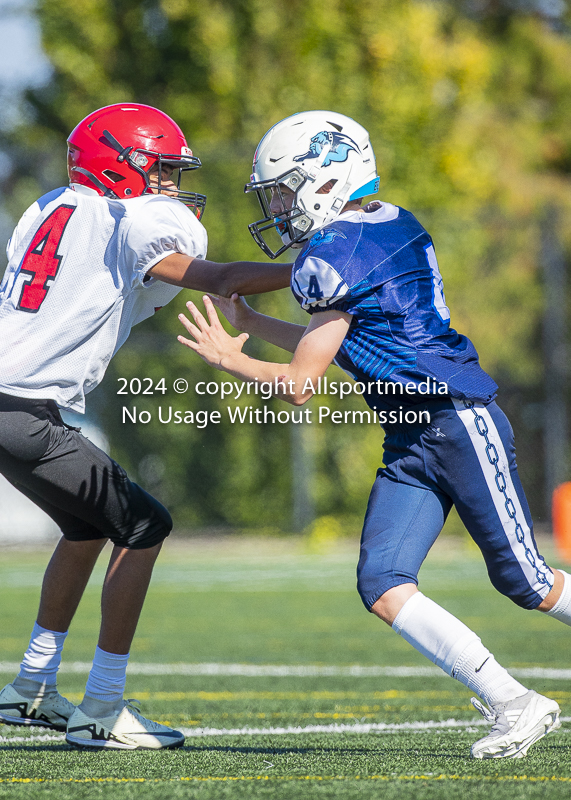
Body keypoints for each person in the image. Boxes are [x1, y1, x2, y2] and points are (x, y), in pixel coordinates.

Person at [177, 109, 571, 759]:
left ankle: (516, 699)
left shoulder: (333, 253)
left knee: (524, 581)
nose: (277, 208)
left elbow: (302, 381)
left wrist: (231, 357)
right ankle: (514, 702)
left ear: (325, 180)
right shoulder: (382, 227)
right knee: (383, 582)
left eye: (282, 190)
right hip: (411, 436)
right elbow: (339, 338)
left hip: (454, 418)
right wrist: (252, 324)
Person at [0, 102, 292, 750]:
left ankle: (30, 689)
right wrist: (310, 272)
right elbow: (216, 279)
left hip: (11, 405)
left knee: (85, 528)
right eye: (160, 172)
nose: (171, 188)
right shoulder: (131, 221)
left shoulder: (49, 205)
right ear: (120, 167)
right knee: (144, 523)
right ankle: (103, 706)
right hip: (20, 409)